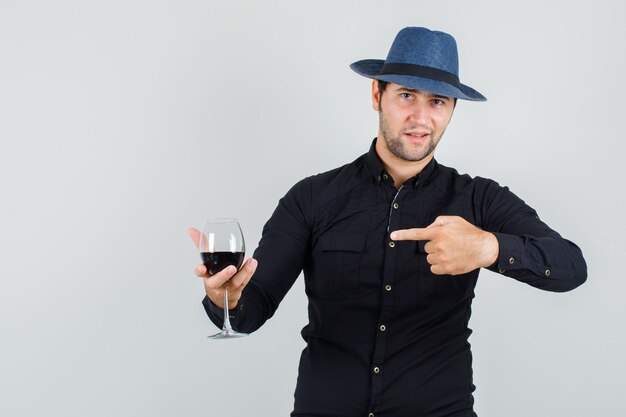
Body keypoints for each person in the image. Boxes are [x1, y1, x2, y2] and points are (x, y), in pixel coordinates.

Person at [188, 27, 587, 417]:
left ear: (451, 111)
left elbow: (571, 266)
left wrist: (489, 248)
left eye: (438, 102)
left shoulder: (479, 198)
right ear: (377, 95)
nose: (420, 117)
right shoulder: (311, 198)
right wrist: (227, 298)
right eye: (407, 96)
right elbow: (252, 308)